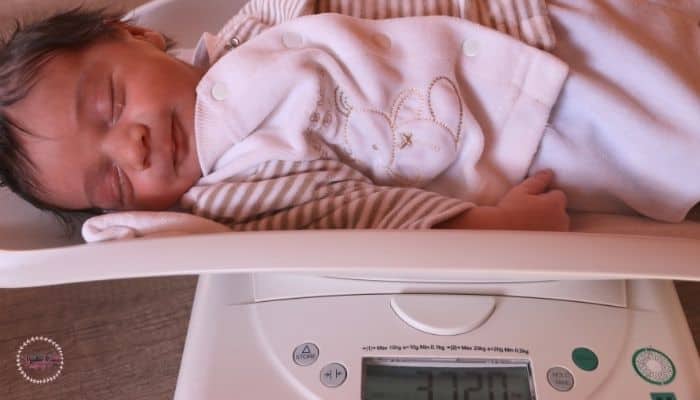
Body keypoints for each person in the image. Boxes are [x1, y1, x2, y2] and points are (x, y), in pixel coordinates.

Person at [0, 0, 697, 235]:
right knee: (673, 125)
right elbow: (354, 214)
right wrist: (492, 227)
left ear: (140, 35)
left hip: (533, 24)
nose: (134, 146)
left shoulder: (237, 32)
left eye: (108, 105)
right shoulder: (236, 182)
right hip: (537, 124)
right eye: (113, 184)